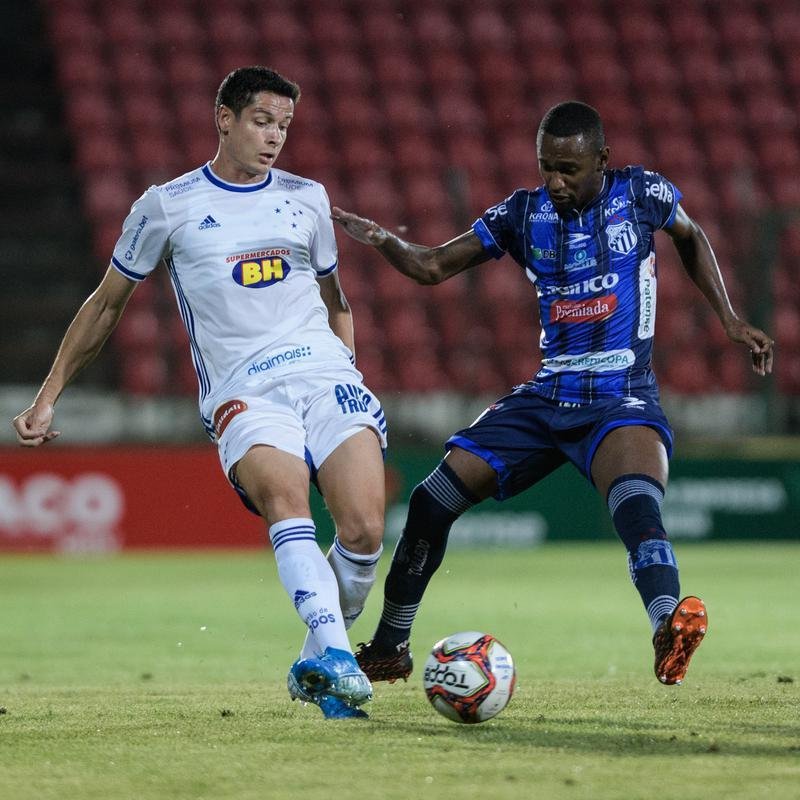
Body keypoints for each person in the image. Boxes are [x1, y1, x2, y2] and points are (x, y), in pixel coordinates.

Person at [332, 100, 774, 687]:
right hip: (546, 398)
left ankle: (668, 624)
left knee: (637, 503)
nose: (556, 182)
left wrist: (729, 318)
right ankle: (390, 646)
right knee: (429, 501)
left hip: (621, 397)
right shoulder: (522, 214)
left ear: (602, 160)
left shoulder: (642, 194)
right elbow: (433, 267)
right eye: (547, 167)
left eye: (569, 169)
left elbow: (690, 237)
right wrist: (386, 240)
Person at [13, 66, 387, 719]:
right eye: (262, 122)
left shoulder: (307, 198)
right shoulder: (167, 205)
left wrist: (346, 374)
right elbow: (105, 306)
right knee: (286, 498)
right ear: (225, 117)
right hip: (245, 387)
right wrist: (51, 393)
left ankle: (318, 661)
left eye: (284, 127)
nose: (275, 138)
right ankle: (338, 657)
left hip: (326, 375)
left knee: (363, 532)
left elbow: (337, 301)